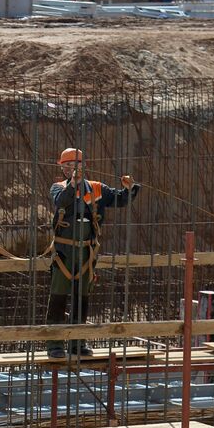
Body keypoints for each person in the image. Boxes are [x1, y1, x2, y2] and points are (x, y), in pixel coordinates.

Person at [46, 147, 139, 359]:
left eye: (76, 166)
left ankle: (77, 343)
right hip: (64, 252)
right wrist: (73, 184)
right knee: (58, 298)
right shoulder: (58, 188)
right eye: (68, 166)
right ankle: (55, 344)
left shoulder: (97, 189)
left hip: (87, 253)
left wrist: (129, 188)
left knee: (82, 298)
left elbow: (120, 200)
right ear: (62, 169)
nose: (72, 169)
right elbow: (62, 202)